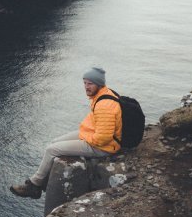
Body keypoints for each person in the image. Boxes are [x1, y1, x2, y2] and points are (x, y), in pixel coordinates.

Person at [10, 67, 122, 199]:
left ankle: (34, 186)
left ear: (99, 84)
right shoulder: (101, 94)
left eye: (90, 83)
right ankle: (44, 182)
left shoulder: (104, 105)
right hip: (93, 135)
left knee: (52, 150)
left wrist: (83, 139)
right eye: (84, 83)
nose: (86, 87)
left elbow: (103, 138)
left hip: (103, 147)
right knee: (54, 142)